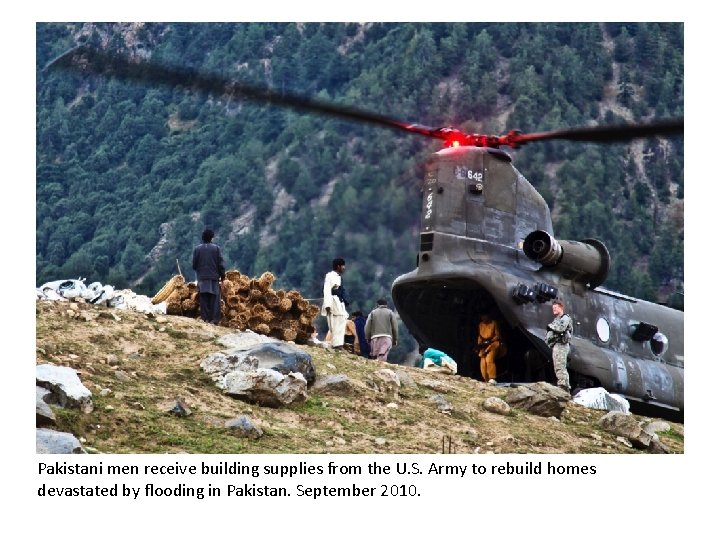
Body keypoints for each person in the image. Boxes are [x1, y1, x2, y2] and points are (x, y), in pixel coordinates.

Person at [192, 228, 226, 324]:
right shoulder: (216, 249)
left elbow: (194, 265)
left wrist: (200, 272)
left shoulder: (197, 249)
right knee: (214, 299)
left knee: (204, 298)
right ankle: (214, 320)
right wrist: (222, 276)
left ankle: (205, 319)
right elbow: (220, 264)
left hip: (202, 278)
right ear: (211, 238)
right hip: (213, 278)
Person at [545, 299, 573, 393]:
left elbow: (561, 328)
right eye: (553, 308)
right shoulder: (556, 320)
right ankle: (563, 385)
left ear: (561, 308)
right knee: (557, 366)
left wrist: (551, 327)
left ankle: (563, 386)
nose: (554, 310)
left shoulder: (565, 318)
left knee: (560, 366)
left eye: (555, 308)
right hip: (556, 345)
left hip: (562, 345)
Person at [322, 257, 349, 350]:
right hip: (333, 301)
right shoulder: (330, 276)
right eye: (343, 266)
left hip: (338, 301)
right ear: (338, 266)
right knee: (336, 322)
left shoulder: (339, 277)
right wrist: (328, 305)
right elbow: (327, 290)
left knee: (341, 320)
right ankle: (337, 344)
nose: (344, 268)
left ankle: (338, 343)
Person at [476, 313, 503, 384]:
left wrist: (490, 341)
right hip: (483, 345)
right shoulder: (480, 325)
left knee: (489, 360)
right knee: (482, 362)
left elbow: (498, 335)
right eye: (482, 316)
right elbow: (480, 336)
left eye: (485, 315)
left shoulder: (493, 323)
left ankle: (492, 378)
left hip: (493, 344)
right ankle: (486, 379)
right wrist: (479, 345)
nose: (483, 318)